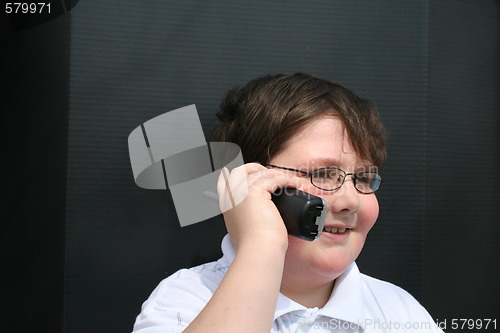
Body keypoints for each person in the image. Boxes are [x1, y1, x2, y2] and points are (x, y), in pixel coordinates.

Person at [132, 73, 443, 332]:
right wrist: (261, 245)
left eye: (363, 179)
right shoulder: (187, 298)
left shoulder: (399, 312)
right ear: (250, 183)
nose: (350, 200)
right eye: (323, 173)